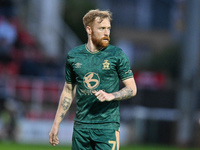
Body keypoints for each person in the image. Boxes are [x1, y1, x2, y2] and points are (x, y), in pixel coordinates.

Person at [49, 9, 137, 150]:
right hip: (81, 127)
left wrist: (111, 96)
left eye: (108, 28)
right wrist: (56, 124)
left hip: (107, 126)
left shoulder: (117, 55)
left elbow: (132, 89)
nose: (107, 32)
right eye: (102, 28)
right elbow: (68, 90)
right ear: (89, 30)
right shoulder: (74, 55)